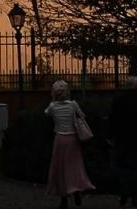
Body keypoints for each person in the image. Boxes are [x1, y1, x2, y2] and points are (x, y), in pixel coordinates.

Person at [44, 79, 95, 209]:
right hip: (73, 139)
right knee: (75, 166)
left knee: (61, 168)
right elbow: (82, 116)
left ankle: (64, 199)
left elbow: (46, 113)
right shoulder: (73, 105)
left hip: (60, 139)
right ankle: (76, 188)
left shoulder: (52, 106)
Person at [107, 79, 137, 206]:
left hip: (121, 138)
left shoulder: (118, 100)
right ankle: (135, 196)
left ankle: (124, 190)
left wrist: (110, 135)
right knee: (136, 167)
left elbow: (112, 119)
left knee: (120, 165)